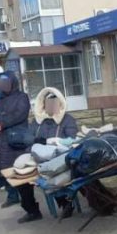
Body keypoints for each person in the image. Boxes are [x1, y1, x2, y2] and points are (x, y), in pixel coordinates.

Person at [0, 70, 41, 221]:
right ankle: (28, 207)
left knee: (24, 179)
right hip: (2, 144)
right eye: (1, 82)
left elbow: (20, 114)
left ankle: (32, 210)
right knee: (11, 177)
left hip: (18, 145)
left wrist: (2, 123)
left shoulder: (21, 97)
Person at [33, 87, 79, 216]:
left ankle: (67, 203)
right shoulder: (39, 122)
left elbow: (72, 139)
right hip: (41, 158)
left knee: (56, 173)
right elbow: (31, 138)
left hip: (62, 157)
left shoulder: (67, 119)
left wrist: (57, 141)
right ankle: (33, 210)